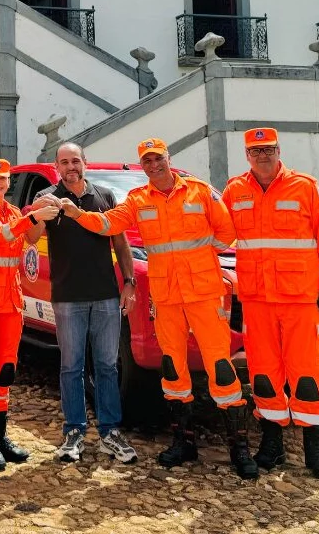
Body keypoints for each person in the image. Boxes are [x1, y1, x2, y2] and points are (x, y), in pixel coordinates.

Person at [62, 137, 258, 479]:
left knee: (220, 366)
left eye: (158, 159)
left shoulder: (199, 191)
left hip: (203, 292)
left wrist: (199, 258)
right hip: (166, 296)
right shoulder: (138, 200)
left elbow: (227, 232)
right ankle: (183, 442)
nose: (154, 165)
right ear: (143, 166)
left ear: (168, 158)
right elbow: (109, 224)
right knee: (173, 368)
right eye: (147, 161)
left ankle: (238, 448)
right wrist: (78, 214)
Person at [223, 127, 319, 482]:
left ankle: (314, 450)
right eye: (256, 150)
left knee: (307, 373)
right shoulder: (234, 191)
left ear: (278, 151)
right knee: (264, 374)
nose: (262, 155)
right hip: (257, 300)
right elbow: (215, 232)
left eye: (268, 149)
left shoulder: (305, 187)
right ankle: (272, 445)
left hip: (298, 299)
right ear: (247, 155)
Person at [28, 142, 138, 465]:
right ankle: (74, 431)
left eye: (75, 160)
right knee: (71, 367)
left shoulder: (105, 196)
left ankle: (110, 433)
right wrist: (38, 214)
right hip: (67, 297)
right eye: (64, 162)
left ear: (84, 163)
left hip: (106, 295)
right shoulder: (47, 197)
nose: (70, 167)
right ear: (57, 167)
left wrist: (129, 282)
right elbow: (31, 238)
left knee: (107, 367)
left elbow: (120, 241)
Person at [0, 158, 59, 470]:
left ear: (7, 182)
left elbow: (31, 237)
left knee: (5, 369)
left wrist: (41, 212)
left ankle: (0, 436)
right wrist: (33, 217)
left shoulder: (15, 212)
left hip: (9, 301)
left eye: (2, 179)